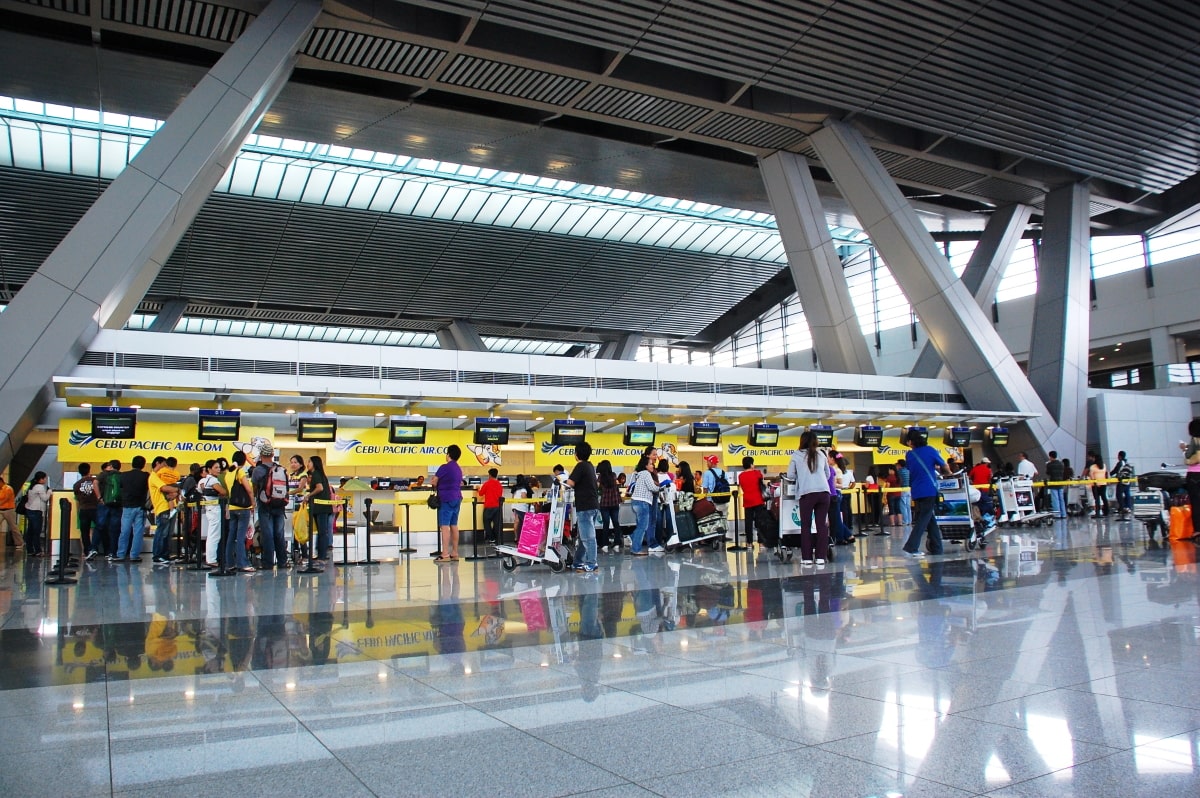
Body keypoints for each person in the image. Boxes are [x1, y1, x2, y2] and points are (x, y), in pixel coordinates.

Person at [786, 430, 831, 566]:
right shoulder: (821, 454)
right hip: (824, 493)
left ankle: (806, 558)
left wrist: (803, 476)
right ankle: (820, 558)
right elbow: (828, 474)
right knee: (821, 525)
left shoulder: (796, 455)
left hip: (807, 493)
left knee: (805, 526)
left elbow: (790, 475)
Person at [901, 432, 947, 557]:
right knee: (923, 518)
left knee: (929, 518)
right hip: (929, 489)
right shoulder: (930, 450)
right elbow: (944, 465)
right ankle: (912, 546)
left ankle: (937, 548)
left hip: (916, 491)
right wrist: (948, 474)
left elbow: (911, 469)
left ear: (911, 442)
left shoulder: (909, 454)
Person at [251, 441, 289, 570]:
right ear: (272, 454)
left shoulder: (258, 470)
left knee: (268, 534)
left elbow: (254, 488)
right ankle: (282, 561)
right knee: (279, 534)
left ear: (261, 455)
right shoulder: (281, 469)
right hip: (280, 505)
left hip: (265, 505)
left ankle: (268, 562)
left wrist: (254, 501)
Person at [567, 441, 600, 573]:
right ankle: (578, 562)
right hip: (592, 504)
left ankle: (592, 563)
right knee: (583, 536)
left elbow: (570, 482)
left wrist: (561, 481)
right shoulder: (590, 466)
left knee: (588, 537)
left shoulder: (580, 466)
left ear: (577, 454)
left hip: (585, 506)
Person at [112, 457, 150, 562]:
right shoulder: (146, 476)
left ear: (132, 464)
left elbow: (119, 489)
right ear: (143, 465)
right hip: (140, 507)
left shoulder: (123, 475)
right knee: (138, 532)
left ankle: (121, 554)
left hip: (127, 506)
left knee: (124, 531)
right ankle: (134, 555)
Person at [224, 451, 255, 572]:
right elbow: (249, 489)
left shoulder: (228, 473)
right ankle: (242, 563)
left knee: (231, 536)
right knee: (241, 536)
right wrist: (253, 502)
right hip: (243, 508)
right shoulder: (240, 472)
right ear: (244, 461)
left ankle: (230, 563)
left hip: (232, 507)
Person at [432, 445, 464, 562]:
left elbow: (434, 481)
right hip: (457, 498)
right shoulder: (458, 468)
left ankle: (445, 554)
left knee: (444, 526)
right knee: (454, 525)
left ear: (448, 454)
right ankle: (454, 553)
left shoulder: (444, 467)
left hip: (446, 498)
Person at [148, 456, 180, 565]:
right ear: (158, 463)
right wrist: (178, 489)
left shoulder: (160, 475)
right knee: (162, 532)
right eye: (164, 464)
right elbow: (164, 488)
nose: (165, 467)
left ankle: (165, 555)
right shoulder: (154, 476)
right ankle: (158, 555)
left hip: (171, 505)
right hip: (162, 507)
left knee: (168, 533)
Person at [628, 455, 662, 555]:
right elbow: (652, 487)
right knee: (643, 527)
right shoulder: (646, 474)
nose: (653, 466)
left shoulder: (639, 474)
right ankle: (636, 549)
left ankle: (631, 538)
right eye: (651, 464)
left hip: (635, 502)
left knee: (640, 525)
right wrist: (660, 487)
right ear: (646, 466)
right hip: (643, 502)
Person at [302, 455, 334, 560]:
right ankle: (322, 554)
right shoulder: (321, 474)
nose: (307, 464)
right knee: (323, 531)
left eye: (309, 462)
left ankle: (322, 555)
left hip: (320, 507)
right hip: (323, 506)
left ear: (314, 463)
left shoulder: (316, 474)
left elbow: (319, 488)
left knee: (322, 532)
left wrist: (309, 495)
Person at [197, 460, 226, 567]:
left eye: (219, 467)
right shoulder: (213, 480)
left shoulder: (204, 480)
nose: (218, 469)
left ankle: (211, 558)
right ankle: (212, 559)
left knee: (212, 534)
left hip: (210, 509)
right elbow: (223, 492)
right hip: (214, 509)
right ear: (209, 469)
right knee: (214, 535)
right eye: (216, 467)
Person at [737, 456, 767, 552]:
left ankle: (749, 543)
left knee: (748, 522)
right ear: (751, 464)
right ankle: (761, 543)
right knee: (760, 522)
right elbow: (762, 479)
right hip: (758, 500)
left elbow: (742, 487)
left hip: (747, 500)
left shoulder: (740, 476)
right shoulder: (757, 473)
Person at [73, 463, 100, 560]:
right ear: (89, 470)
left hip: (83, 509)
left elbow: (77, 498)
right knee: (100, 528)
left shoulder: (76, 485)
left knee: (84, 532)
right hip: (96, 509)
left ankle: (87, 551)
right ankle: (96, 548)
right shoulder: (95, 481)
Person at [24, 471, 52, 557]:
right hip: (36, 511)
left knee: (30, 531)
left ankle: (30, 550)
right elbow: (45, 498)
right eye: (44, 478)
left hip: (29, 510)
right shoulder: (39, 487)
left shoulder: (32, 486)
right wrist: (49, 492)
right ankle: (38, 550)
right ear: (41, 479)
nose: (45, 480)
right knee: (37, 532)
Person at [596, 460, 622, 553]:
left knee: (606, 523)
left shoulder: (600, 477)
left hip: (605, 503)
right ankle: (617, 543)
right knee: (616, 523)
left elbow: (597, 487)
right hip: (615, 503)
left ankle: (605, 544)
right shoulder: (614, 475)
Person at [1181, 420, 1200, 538]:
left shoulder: (1195, 440)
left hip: (1194, 475)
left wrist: (1184, 449)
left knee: (1196, 503)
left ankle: (1198, 529)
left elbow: (1188, 455)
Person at [477, 468, 504, 544]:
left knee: (486, 523)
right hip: (497, 506)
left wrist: (479, 489)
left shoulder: (487, 483)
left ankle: (491, 537)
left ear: (489, 475)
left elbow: (481, 493)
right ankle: (497, 538)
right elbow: (500, 494)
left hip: (488, 506)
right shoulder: (499, 484)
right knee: (497, 524)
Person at [969, 457, 995, 524]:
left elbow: (969, 476)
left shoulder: (975, 468)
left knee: (976, 503)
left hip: (976, 489)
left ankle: (978, 517)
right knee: (984, 503)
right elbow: (989, 479)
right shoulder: (988, 470)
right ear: (986, 463)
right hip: (984, 489)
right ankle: (984, 517)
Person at [0, 475, 22, 550]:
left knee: (13, 527)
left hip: (9, 510)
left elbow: (5, 499)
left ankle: (19, 542)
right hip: (1, 510)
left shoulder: (8, 489)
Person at [1044, 451, 1066, 519]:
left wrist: (1047, 465)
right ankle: (1063, 514)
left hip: (1053, 482)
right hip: (1060, 482)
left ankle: (1057, 514)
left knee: (1055, 499)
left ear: (1050, 456)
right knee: (1061, 499)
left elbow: (1048, 473)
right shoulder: (1061, 464)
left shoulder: (1049, 464)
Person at [1111, 450, 1133, 517]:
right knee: (1127, 494)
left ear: (1119, 456)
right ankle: (1128, 507)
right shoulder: (1127, 463)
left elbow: (1115, 471)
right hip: (1128, 481)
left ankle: (1122, 507)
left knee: (1119, 494)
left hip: (1121, 482)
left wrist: (1109, 474)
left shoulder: (1120, 463)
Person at [510, 475, 532, 542]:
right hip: (521, 507)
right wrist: (531, 501)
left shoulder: (515, 488)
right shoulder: (523, 489)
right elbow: (523, 497)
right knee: (522, 523)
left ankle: (516, 537)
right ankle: (522, 538)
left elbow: (512, 498)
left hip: (515, 506)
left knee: (516, 522)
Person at [896, 458, 912, 526]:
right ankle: (909, 521)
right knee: (908, 506)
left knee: (903, 505)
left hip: (902, 489)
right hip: (909, 489)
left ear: (899, 465)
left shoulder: (899, 472)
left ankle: (905, 521)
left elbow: (899, 481)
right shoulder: (908, 470)